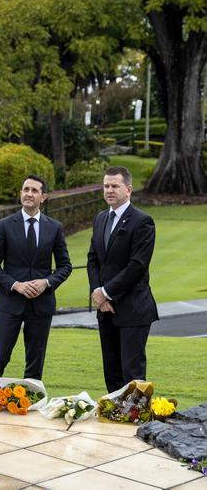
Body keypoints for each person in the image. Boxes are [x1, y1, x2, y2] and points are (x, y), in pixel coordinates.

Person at [0, 175, 72, 380]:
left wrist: (46, 282)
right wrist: (16, 285)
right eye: (25, 189)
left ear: (43, 197)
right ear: (20, 193)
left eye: (34, 191)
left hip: (41, 305)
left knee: (35, 362)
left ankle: (30, 406)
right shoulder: (4, 225)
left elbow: (65, 266)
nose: (28, 194)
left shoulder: (54, 227)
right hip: (9, 303)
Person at [87, 166, 158, 392]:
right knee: (112, 371)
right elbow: (93, 259)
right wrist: (98, 293)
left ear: (128, 189)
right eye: (106, 186)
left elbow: (137, 266)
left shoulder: (142, 221)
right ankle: (113, 422)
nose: (109, 190)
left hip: (133, 310)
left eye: (114, 186)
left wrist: (105, 292)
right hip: (105, 310)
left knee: (132, 374)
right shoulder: (100, 218)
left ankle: (135, 425)